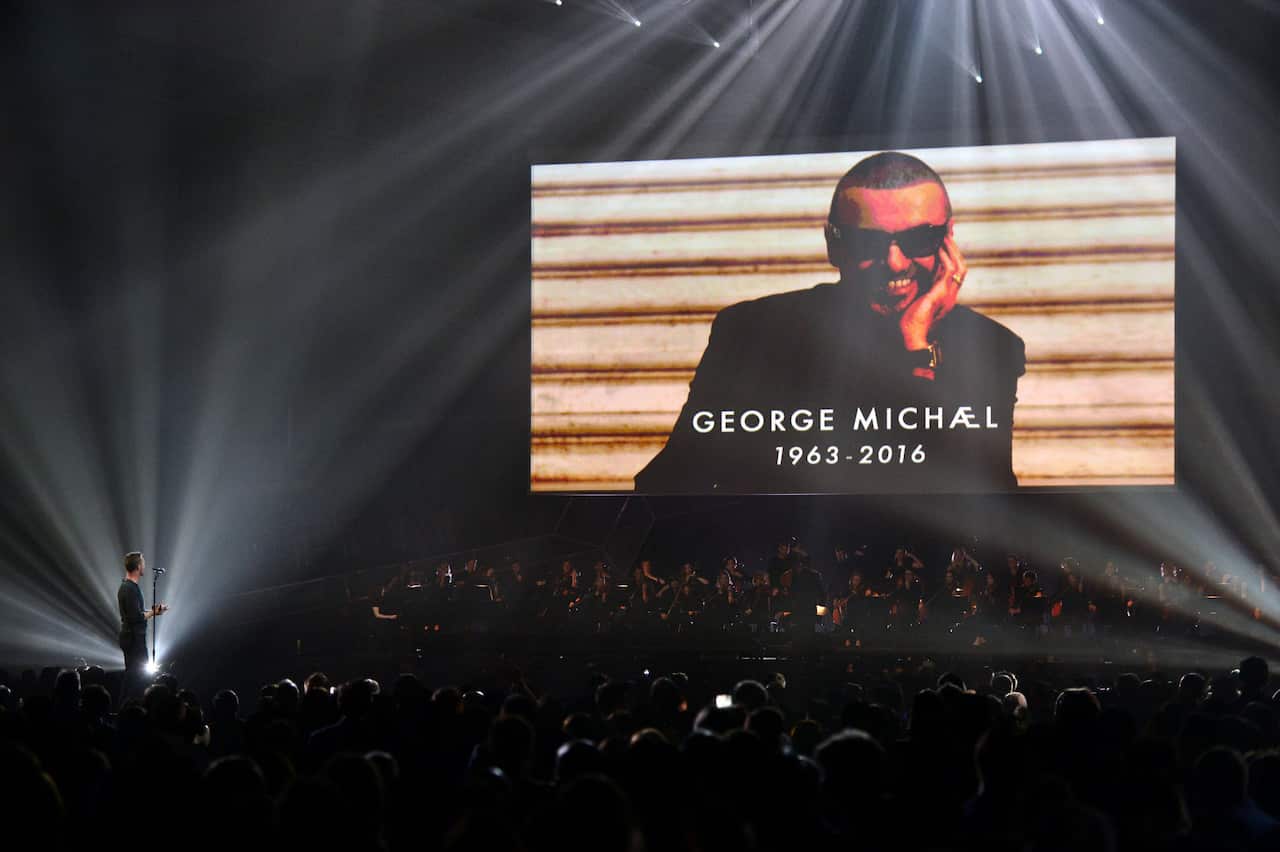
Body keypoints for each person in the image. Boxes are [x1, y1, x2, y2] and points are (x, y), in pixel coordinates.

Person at [635, 151, 1025, 494]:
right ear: (833, 244)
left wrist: (916, 347)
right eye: (867, 243)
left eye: (919, 239)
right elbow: (671, 485)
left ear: (948, 239)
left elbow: (976, 505)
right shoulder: (752, 332)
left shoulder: (992, 347)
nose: (894, 263)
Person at [117, 551, 167, 704]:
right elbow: (135, 617)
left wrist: (153, 612)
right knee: (135, 678)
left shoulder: (129, 587)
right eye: (143, 563)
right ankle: (126, 706)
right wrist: (152, 613)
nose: (144, 566)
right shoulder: (129, 588)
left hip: (133, 638)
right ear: (138, 566)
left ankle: (128, 706)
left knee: (134, 677)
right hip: (133, 639)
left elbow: (136, 613)